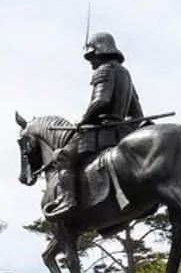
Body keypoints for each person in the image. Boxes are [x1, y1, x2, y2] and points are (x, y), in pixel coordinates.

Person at [43, 32, 146, 219]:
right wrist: (124, 126)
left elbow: (101, 101)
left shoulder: (104, 70)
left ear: (100, 52)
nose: (91, 62)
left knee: (62, 156)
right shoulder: (125, 74)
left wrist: (83, 121)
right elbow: (137, 114)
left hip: (101, 133)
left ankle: (68, 200)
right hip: (121, 132)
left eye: (92, 56)